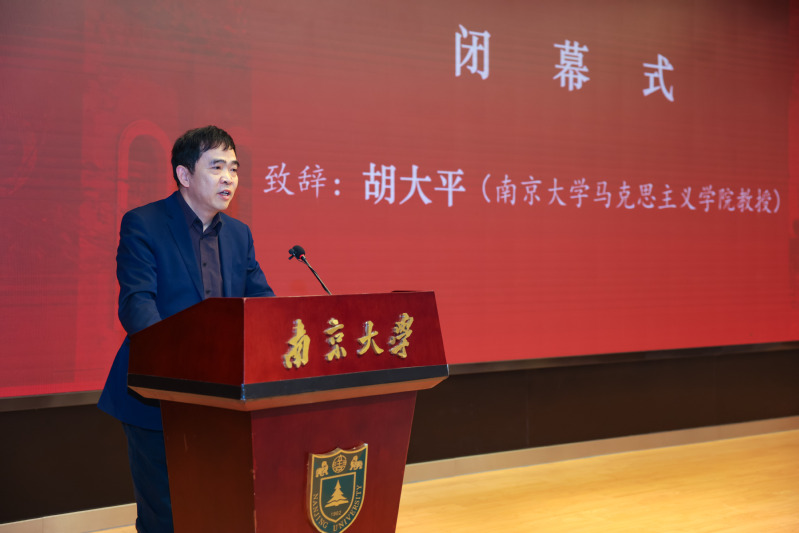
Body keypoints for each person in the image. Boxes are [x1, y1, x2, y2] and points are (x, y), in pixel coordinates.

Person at [98, 125, 274, 532]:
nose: (228, 178)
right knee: (167, 516)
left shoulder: (239, 235)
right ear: (184, 174)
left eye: (234, 168)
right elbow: (137, 304)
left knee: (215, 509)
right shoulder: (144, 224)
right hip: (158, 397)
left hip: (222, 402)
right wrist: (179, 364)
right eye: (217, 167)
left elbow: (261, 304)